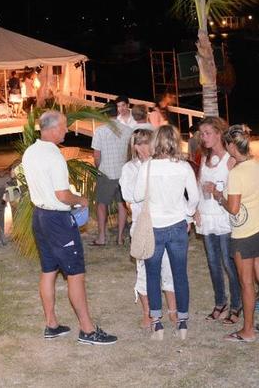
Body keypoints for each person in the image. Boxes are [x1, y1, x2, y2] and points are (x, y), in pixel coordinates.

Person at [22, 110, 116, 345]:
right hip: (58, 220)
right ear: (52, 129)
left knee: (48, 271)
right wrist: (80, 200)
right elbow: (62, 195)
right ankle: (87, 330)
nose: (67, 130)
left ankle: (51, 324)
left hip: (40, 216)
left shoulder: (30, 152)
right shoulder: (54, 156)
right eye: (64, 126)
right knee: (75, 274)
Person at [127, 124, 199, 340]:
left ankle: (157, 324)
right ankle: (183, 322)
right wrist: (187, 215)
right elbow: (193, 198)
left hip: (154, 227)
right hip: (177, 225)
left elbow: (138, 196)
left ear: (156, 141)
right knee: (179, 274)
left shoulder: (147, 167)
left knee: (152, 274)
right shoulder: (184, 167)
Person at [214, 125, 259, 343]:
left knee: (246, 283)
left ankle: (248, 331)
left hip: (245, 233)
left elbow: (233, 207)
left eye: (226, 144)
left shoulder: (236, 174)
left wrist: (218, 196)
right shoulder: (258, 165)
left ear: (232, 146)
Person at [120, 128, 176, 329]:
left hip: (163, 223)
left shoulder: (162, 165)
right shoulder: (129, 168)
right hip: (142, 225)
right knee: (144, 269)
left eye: (148, 142)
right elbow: (130, 196)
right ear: (134, 146)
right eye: (140, 143)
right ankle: (148, 313)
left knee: (168, 267)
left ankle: (173, 310)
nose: (145, 147)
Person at [194, 116, 242, 325]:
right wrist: (195, 209)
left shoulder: (230, 160)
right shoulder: (204, 159)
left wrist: (218, 190)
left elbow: (237, 187)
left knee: (228, 263)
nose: (203, 137)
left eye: (207, 133)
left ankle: (236, 304)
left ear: (218, 133)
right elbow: (197, 184)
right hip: (207, 216)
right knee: (213, 263)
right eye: (201, 134)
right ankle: (219, 301)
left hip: (223, 216)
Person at [89, 115, 131, 246]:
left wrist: (99, 168)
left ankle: (102, 237)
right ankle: (120, 238)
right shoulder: (128, 130)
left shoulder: (100, 131)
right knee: (122, 204)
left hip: (106, 172)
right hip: (123, 173)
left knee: (102, 205)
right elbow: (130, 153)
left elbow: (97, 155)